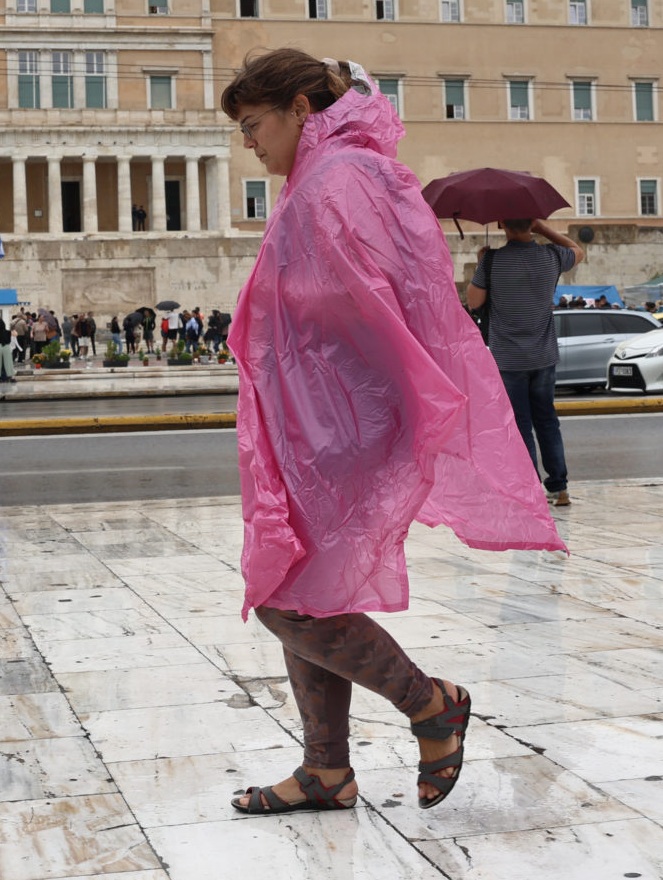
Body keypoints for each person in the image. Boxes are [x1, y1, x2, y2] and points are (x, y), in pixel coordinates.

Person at [221, 48, 564, 817]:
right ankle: (325, 768)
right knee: (310, 587)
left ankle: (430, 704)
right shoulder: (329, 173)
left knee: (282, 593)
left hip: (343, 419)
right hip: (325, 417)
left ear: (299, 110)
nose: (247, 141)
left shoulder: (338, 179)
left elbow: (373, 294)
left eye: (253, 123)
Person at [466, 215, 585, 507]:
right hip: (544, 356)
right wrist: (542, 228)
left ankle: (530, 489)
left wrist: (483, 265)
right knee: (547, 420)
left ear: (502, 225)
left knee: (520, 424)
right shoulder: (552, 256)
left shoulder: (492, 261)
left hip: (509, 358)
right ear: (531, 224)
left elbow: (474, 302)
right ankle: (559, 487)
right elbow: (578, 251)